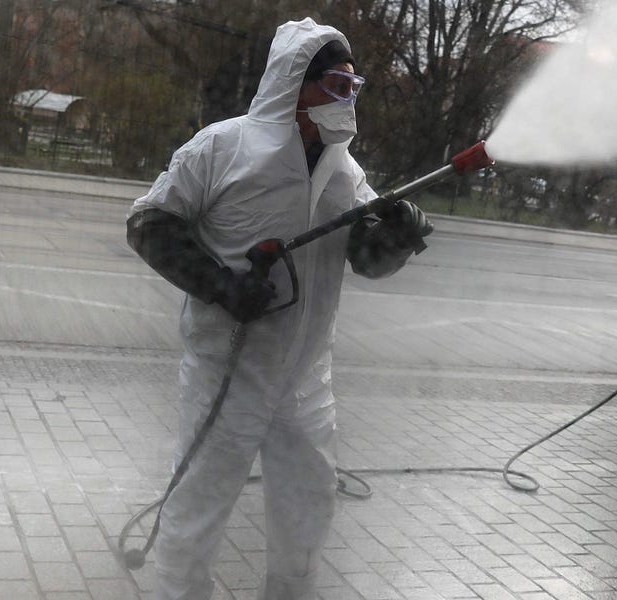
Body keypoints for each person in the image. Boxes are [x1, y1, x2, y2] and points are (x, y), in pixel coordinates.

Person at [126, 17, 433, 600]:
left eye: (353, 86)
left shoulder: (345, 170)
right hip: (228, 370)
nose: (349, 100)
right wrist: (221, 286)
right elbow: (149, 224)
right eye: (338, 85)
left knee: (307, 513)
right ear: (298, 84)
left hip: (304, 379)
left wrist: (399, 237)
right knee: (198, 508)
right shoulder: (222, 148)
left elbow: (365, 258)